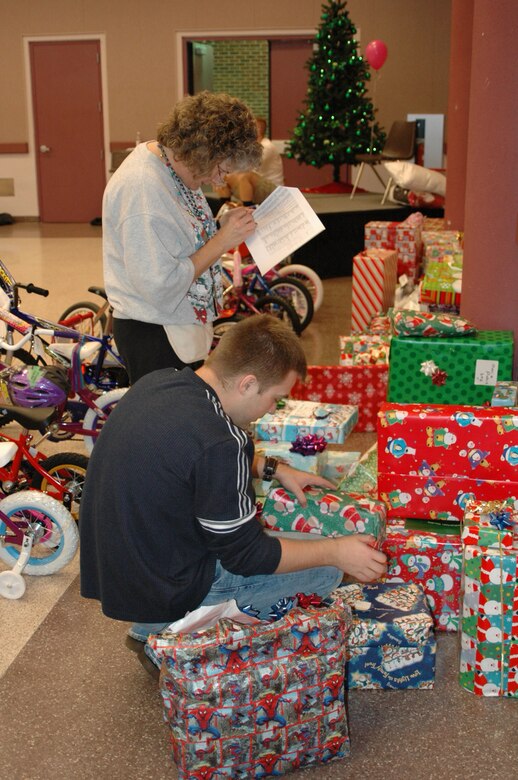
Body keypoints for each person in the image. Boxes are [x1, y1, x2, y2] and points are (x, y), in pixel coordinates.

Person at [79, 315, 387, 662]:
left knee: (289, 543)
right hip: (165, 587)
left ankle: (159, 622)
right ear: (248, 384)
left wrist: (272, 468)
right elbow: (248, 556)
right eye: (276, 398)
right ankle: (174, 631)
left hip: (123, 573)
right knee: (324, 570)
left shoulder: (162, 382)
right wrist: (336, 552)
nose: (273, 408)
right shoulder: (221, 442)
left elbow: (187, 461)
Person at [102, 91, 262, 384]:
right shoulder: (143, 189)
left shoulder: (177, 164)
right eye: (221, 170)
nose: (218, 181)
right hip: (155, 333)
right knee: (165, 426)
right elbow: (159, 286)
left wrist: (218, 227)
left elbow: (179, 238)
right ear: (202, 154)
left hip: (177, 329)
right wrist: (222, 241)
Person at [256, 116, 284, 186]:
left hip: (273, 187)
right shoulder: (256, 146)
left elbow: (254, 167)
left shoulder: (266, 146)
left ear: (258, 129)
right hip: (263, 184)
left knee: (245, 177)